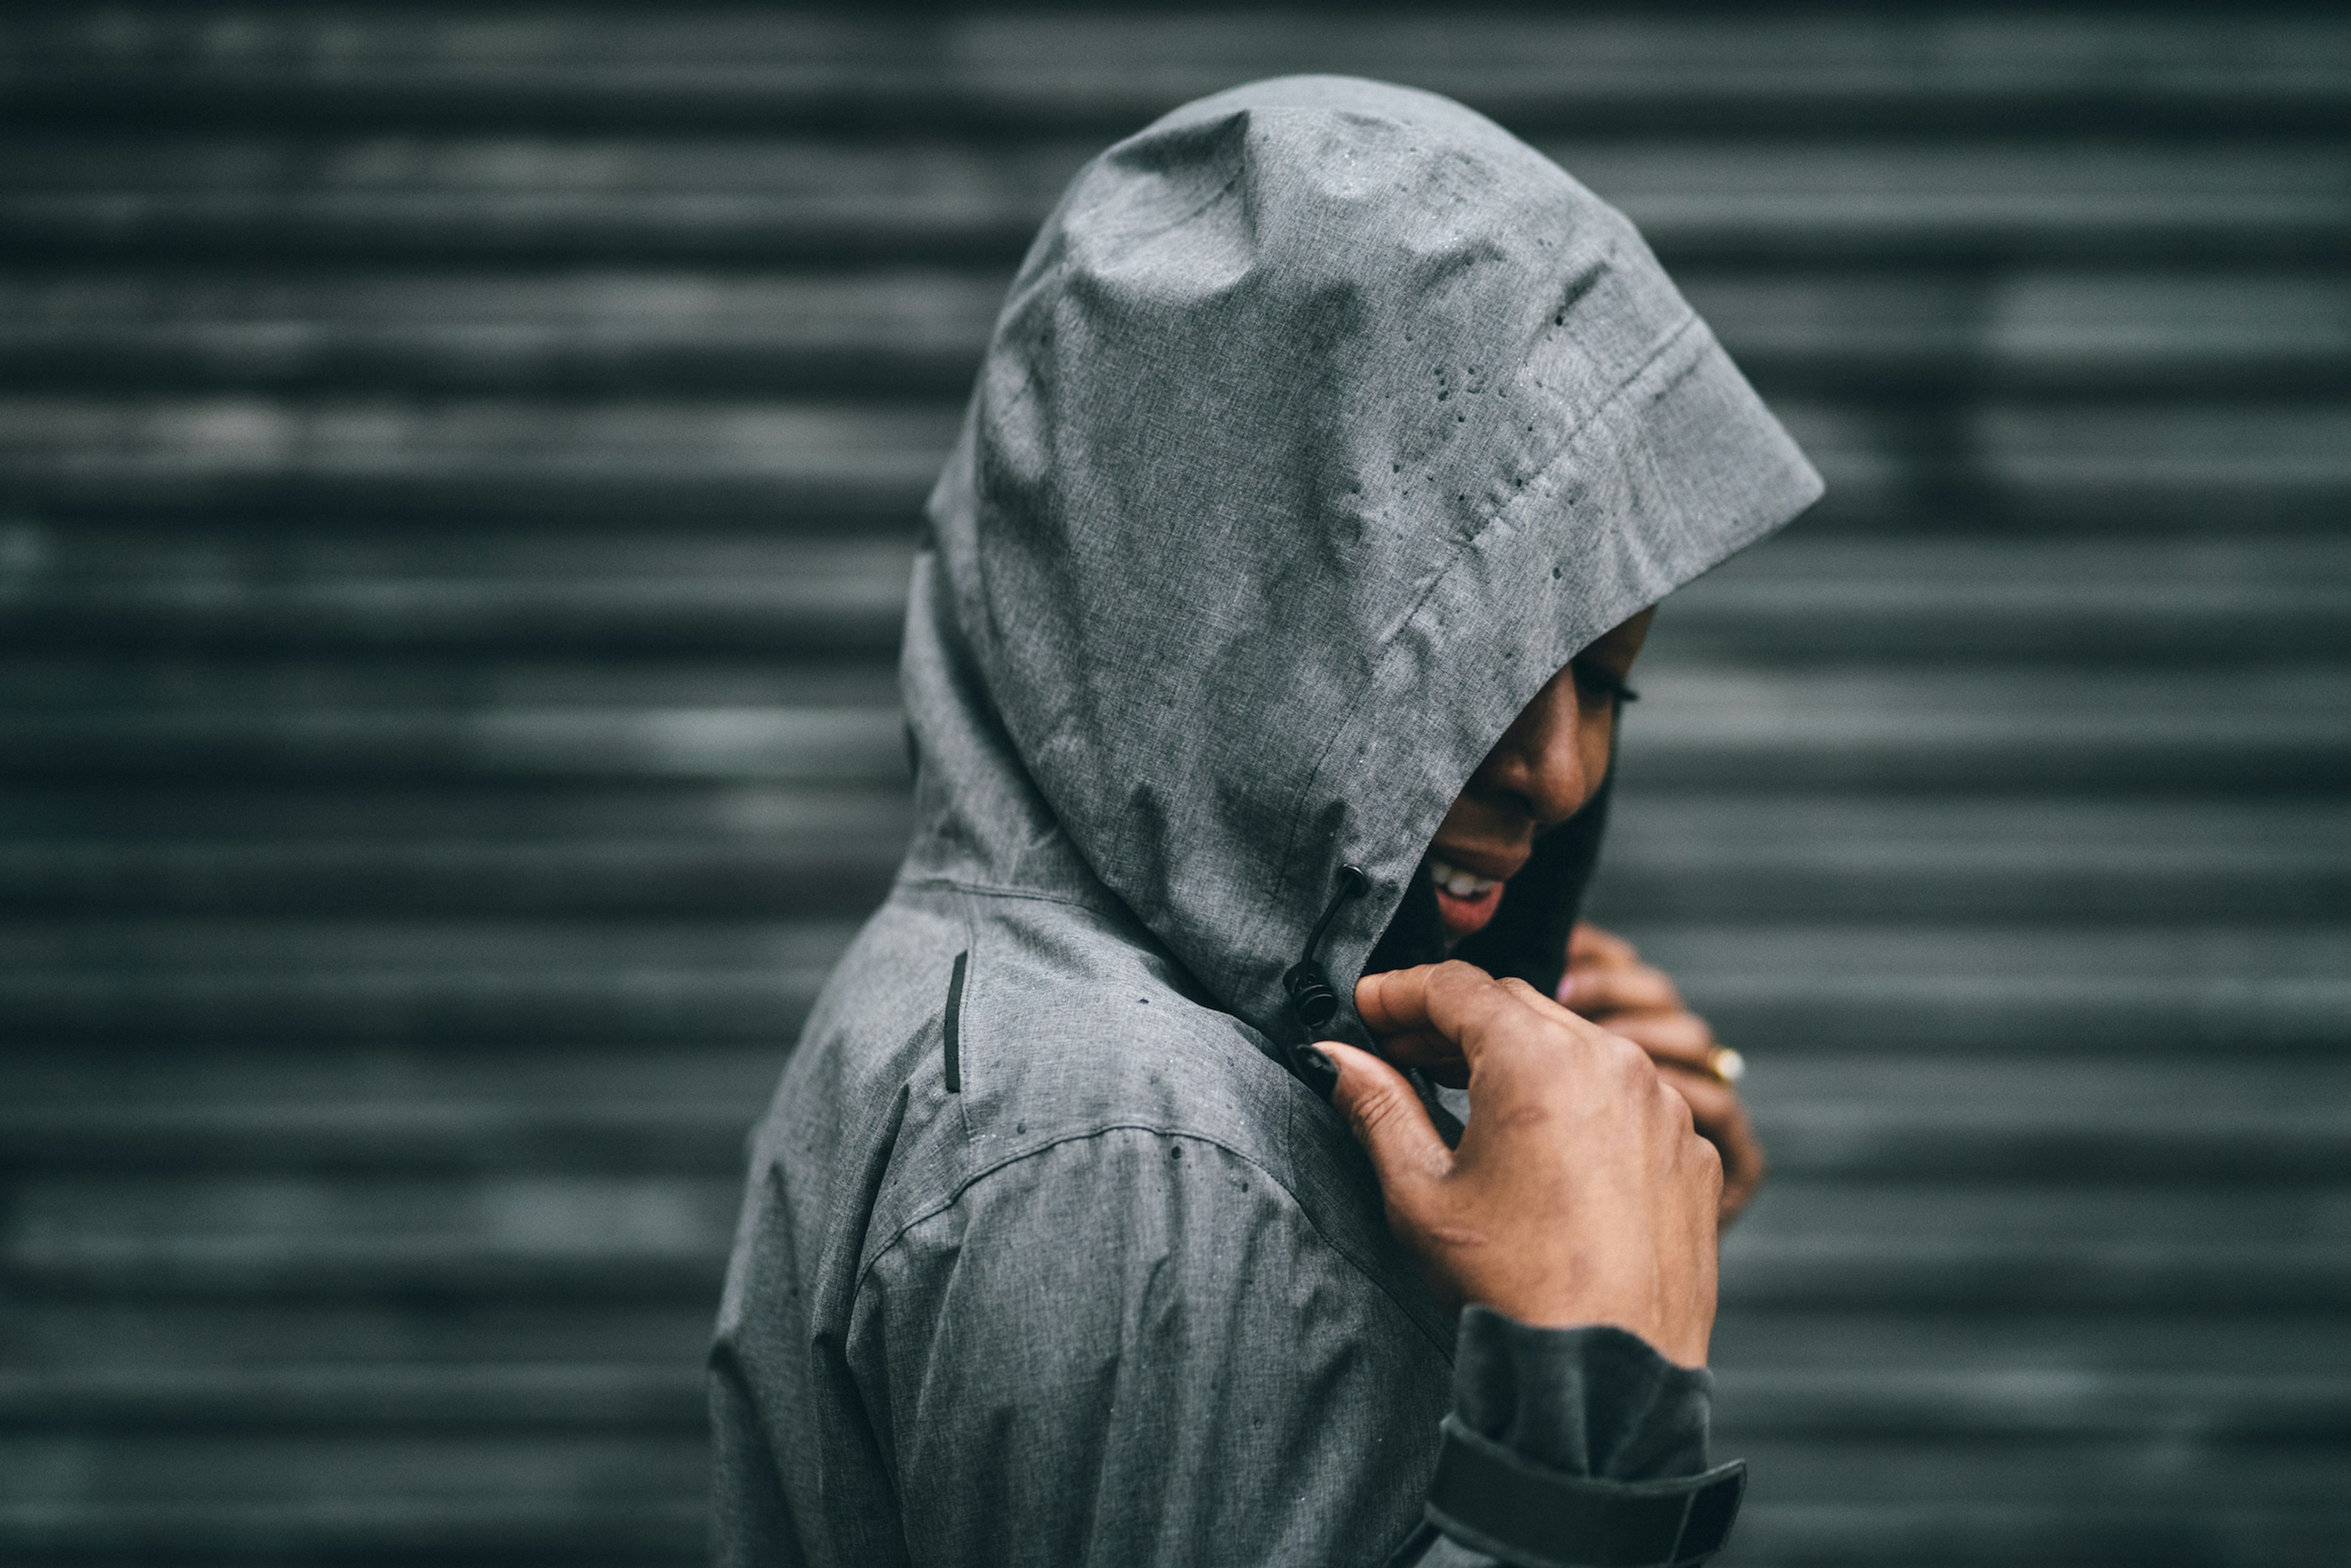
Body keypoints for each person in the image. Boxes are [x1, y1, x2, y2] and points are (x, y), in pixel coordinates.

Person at [710, 75, 1819, 1567]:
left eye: (1611, 688)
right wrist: (1588, 1404)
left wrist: (1581, 1243)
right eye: (1484, 657)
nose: (1559, 776)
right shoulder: (1138, 1158)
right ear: (1236, 606)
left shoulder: (1037, 1029)